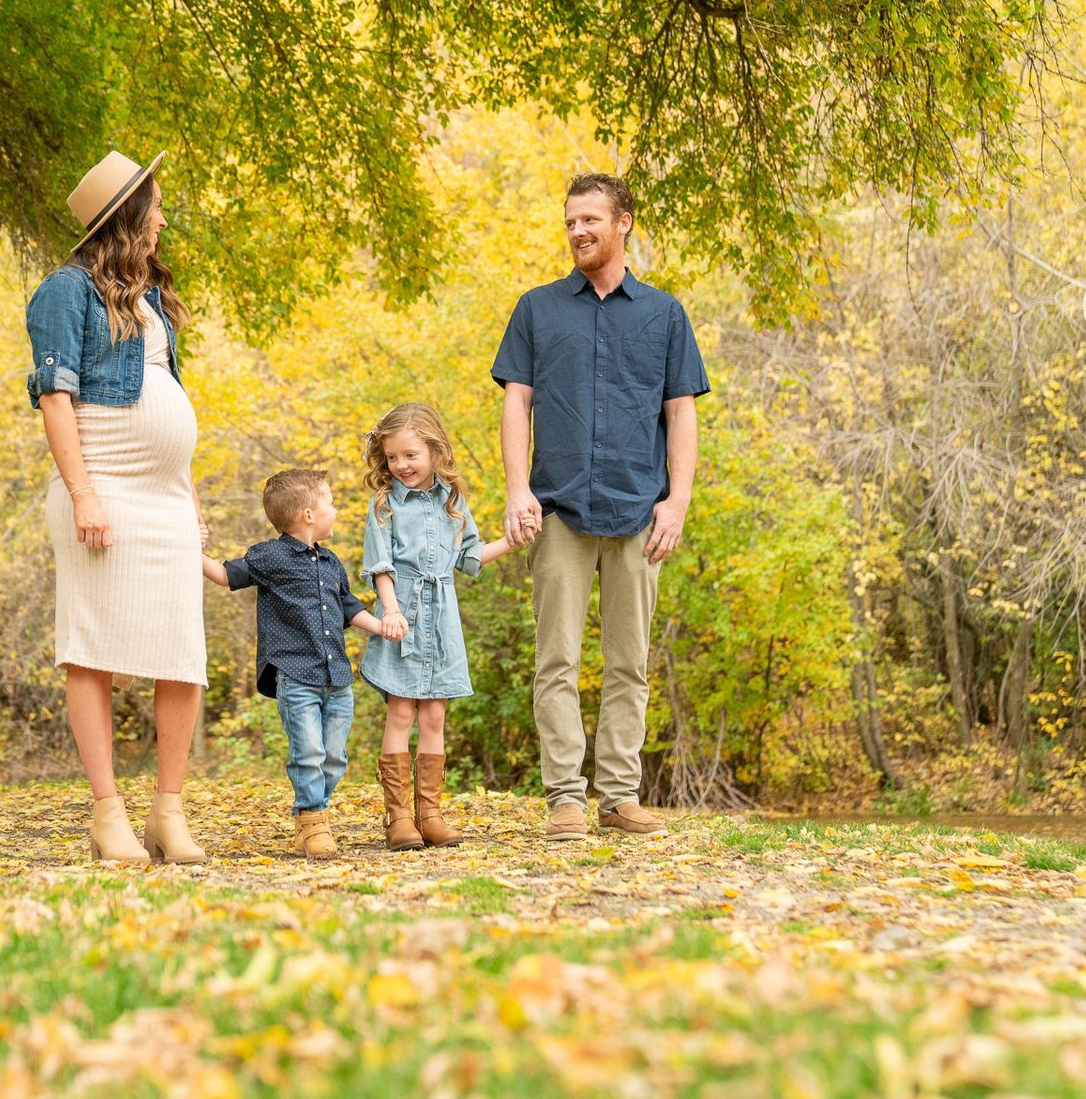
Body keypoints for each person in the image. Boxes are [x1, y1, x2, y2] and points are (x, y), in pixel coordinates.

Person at [491, 171, 710, 842]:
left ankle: (618, 796)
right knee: (554, 660)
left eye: (590, 218)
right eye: (570, 221)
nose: (578, 230)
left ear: (624, 222)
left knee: (629, 662)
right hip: (559, 508)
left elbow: (681, 412)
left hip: (640, 512)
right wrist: (517, 488)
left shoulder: (665, 314)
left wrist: (677, 500)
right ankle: (565, 798)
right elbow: (516, 401)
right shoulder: (537, 308)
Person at [25, 148, 209, 866]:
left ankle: (168, 810)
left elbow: (172, 394)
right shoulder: (65, 292)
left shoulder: (153, 298)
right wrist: (83, 493)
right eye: (156, 205)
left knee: (181, 652)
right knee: (92, 647)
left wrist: (188, 493)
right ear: (128, 216)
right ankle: (108, 816)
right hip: (103, 484)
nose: (163, 217)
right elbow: (56, 398)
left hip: (163, 496)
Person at [201, 469, 385, 860]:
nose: (335, 511)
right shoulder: (269, 556)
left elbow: (348, 607)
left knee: (334, 756)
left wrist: (380, 627)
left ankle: (308, 814)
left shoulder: (332, 562)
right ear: (307, 514)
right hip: (295, 676)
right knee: (308, 753)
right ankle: (314, 823)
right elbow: (224, 574)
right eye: (330, 503)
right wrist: (190, 550)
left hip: (336, 676)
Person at [358, 403, 515, 850]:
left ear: (434, 449)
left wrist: (514, 540)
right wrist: (389, 610)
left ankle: (431, 813)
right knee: (401, 710)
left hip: (442, 616)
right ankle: (399, 817)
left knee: (435, 713)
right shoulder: (384, 504)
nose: (401, 465)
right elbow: (380, 566)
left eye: (411, 455)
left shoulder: (452, 500)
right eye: (393, 458)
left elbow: (468, 558)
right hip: (403, 614)